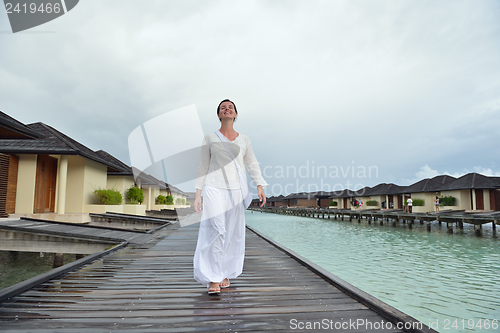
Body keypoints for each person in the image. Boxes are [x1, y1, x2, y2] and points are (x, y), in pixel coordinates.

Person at [193, 99, 267, 295]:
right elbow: (202, 166)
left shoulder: (244, 140)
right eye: (223, 107)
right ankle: (212, 277)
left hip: (236, 191)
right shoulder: (210, 138)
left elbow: (252, 164)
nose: (227, 109)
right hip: (213, 188)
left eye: (230, 107)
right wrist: (198, 194)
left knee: (231, 233)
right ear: (219, 115)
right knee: (217, 230)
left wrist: (259, 185)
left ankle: (223, 272)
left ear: (235, 115)